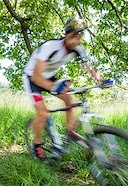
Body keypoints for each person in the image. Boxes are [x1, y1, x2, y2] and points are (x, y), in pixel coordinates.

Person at [24, 17, 106, 159]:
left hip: (48, 76)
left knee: (69, 98)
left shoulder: (79, 50)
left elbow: (90, 68)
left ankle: (70, 131)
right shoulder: (51, 46)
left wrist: (101, 80)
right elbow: (37, 77)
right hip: (32, 78)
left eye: (79, 36)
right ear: (66, 34)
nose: (76, 40)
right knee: (42, 114)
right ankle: (37, 144)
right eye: (73, 36)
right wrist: (55, 85)